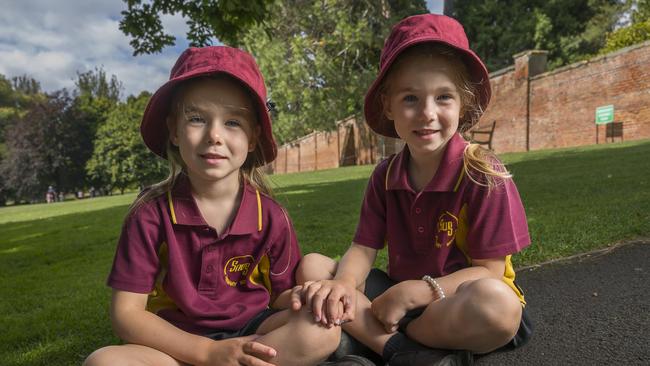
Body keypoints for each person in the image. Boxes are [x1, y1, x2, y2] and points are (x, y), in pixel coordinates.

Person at [294, 14, 533, 366]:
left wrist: (420, 291)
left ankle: (377, 340)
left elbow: (490, 272)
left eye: (443, 97)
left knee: (498, 307)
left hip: (458, 301)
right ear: (388, 105)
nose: (427, 113)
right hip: (395, 294)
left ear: (463, 103)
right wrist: (345, 283)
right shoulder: (385, 176)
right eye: (410, 98)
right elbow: (363, 247)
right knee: (313, 268)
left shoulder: (483, 173)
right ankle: (405, 353)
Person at [83, 46, 340, 366]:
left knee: (323, 330)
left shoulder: (272, 217)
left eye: (232, 122)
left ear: (253, 137)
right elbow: (126, 314)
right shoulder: (149, 215)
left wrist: (305, 296)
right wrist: (207, 352)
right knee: (104, 362)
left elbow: (280, 296)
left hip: (254, 332)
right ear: (174, 131)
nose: (214, 135)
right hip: (173, 344)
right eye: (196, 118)